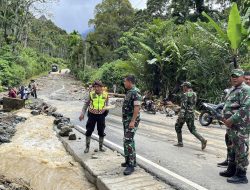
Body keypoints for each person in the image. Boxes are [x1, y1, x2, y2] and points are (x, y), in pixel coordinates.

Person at [219, 69, 250, 184]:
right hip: (230, 125)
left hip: (240, 126)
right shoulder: (233, 89)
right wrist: (223, 117)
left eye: (237, 76)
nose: (234, 78)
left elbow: (245, 108)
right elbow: (228, 105)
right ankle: (231, 169)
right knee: (231, 147)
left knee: (241, 148)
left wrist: (231, 120)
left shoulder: (246, 89)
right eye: (232, 76)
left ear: (242, 77)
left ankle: (241, 175)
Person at [174, 82, 207, 150]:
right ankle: (202, 140)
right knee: (192, 129)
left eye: (183, 87)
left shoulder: (185, 94)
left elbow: (184, 106)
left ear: (186, 87)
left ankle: (180, 142)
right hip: (191, 114)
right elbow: (192, 104)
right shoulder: (194, 94)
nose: (183, 88)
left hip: (185, 114)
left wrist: (181, 116)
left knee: (177, 126)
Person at [79, 80, 109, 153]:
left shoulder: (105, 95)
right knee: (89, 130)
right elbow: (86, 104)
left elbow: (107, 105)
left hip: (101, 116)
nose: (96, 88)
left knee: (101, 131)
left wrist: (105, 113)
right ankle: (87, 147)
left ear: (101, 87)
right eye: (95, 87)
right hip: (92, 115)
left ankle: (101, 147)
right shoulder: (91, 94)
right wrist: (82, 113)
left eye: (98, 87)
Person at [122, 75, 142, 175]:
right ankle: (128, 161)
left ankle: (131, 165)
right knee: (127, 140)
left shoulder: (135, 92)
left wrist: (133, 121)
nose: (124, 83)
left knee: (128, 140)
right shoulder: (130, 92)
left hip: (131, 121)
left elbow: (137, 107)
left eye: (125, 81)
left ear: (130, 82)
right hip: (127, 120)